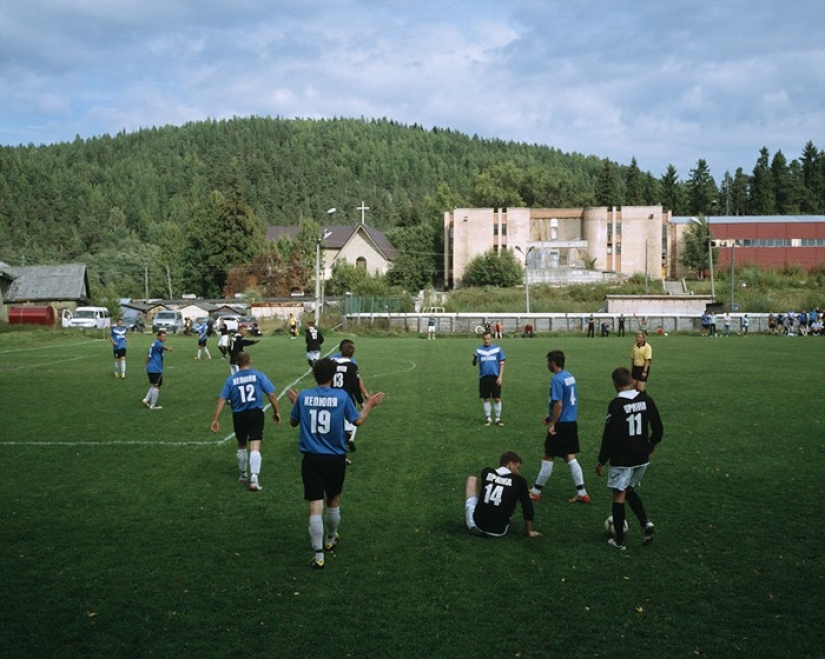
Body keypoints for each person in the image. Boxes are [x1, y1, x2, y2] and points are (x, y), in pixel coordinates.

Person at [287, 358, 385, 570]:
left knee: (315, 505)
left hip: (311, 458)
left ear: (314, 375)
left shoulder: (304, 396)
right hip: (335, 458)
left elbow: (293, 422)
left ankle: (318, 554)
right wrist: (369, 405)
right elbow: (357, 421)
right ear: (333, 377)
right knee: (333, 498)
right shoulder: (341, 396)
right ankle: (330, 538)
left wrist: (297, 404)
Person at [596, 367, 664, 551]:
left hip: (623, 458)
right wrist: (651, 445)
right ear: (632, 381)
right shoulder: (646, 399)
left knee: (618, 496)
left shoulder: (616, 405)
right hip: (641, 457)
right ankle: (646, 523)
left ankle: (620, 540)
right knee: (629, 490)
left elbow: (609, 436)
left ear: (615, 384)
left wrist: (602, 460)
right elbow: (658, 428)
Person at [210, 351, 281, 492]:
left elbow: (222, 399)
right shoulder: (258, 375)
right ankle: (254, 478)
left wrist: (215, 419)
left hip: (239, 415)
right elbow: (271, 394)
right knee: (255, 443)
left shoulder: (231, 380)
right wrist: (276, 411)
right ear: (250, 361)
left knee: (241, 444)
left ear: (237, 363)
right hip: (255, 413)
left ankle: (243, 475)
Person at [529, 350, 590, 504]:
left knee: (548, 455)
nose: (547, 364)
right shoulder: (569, 376)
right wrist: (550, 416)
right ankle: (582, 493)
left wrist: (553, 423)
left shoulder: (556, 379)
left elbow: (559, 404)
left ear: (553, 363)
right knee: (569, 456)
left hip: (561, 424)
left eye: (548, 361)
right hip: (571, 422)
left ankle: (536, 492)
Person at [465, 451, 540, 538]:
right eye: (517, 468)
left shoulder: (486, 471)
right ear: (510, 464)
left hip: (476, 525)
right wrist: (530, 531)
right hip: (498, 531)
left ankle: (480, 511)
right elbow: (527, 506)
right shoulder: (519, 481)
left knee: (472, 479)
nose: (518, 472)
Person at [331, 339, 370, 457]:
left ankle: (342, 452)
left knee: (337, 426)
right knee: (353, 422)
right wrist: (362, 401)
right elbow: (355, 385)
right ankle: (348, 440)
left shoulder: (332, 364)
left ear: (340, 351)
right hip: (347, 399)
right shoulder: (352, 366)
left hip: (333, 398)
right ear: (352, 354)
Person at [472, 331, 505, 426]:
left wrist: (500, 376)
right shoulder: (478, 350)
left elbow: (502, 363)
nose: (486, 341)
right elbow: (474, 364)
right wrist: (474, 358)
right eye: (485, 339)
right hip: (483, 377)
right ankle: (488, 418)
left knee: (497, 398)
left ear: (491, 339)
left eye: (488, 339)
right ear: (482, 339)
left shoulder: (497, 349)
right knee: (486, 399)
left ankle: (498, 419)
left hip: (495, 377)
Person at [141, 330, 172, 410]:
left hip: (151, 368)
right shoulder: (158, 343)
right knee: (156, 386)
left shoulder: (153, 344)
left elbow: (148, 355)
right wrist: (169, 349)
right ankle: (153, 405)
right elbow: (163, 347)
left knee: (156, 385)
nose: (164, 338)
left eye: (165, 337)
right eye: (163, 337)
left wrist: (147, 366)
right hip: (156, 368)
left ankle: (145, 400)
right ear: (158, 337)